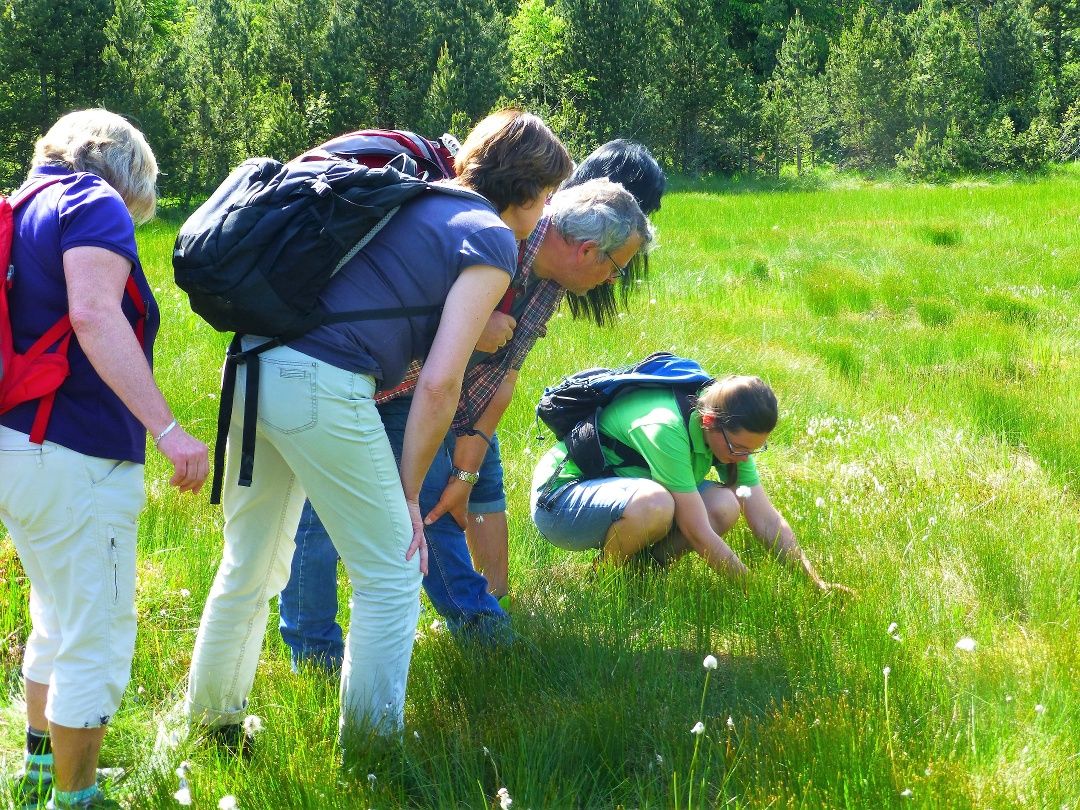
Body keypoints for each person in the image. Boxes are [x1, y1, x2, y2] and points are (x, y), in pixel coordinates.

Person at [184, 110, 571, 745]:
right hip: (321, 384)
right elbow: (443, 382)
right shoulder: (491, 237)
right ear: (526, 190)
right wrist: (410, 493)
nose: (547, 213)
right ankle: (371, 751)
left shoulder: (415, 196)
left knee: (249, 564)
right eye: (548, 196)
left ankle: (213, 724)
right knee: (393, 573)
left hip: (251, 368)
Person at [279, 152, 659, 665]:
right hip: (352, 377)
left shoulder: (548, 281)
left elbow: (504, 374)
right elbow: (420, 324)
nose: (613, 282)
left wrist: (466, 465)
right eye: (616, 268)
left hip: (417, 393)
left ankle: (482, 629)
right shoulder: (502, 237)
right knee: (322, 517)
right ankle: (315, 654)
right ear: (587, 250)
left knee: (430, 505)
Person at [0, 109, 209, 810]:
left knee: (58, 614)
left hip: (20, 446)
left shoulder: (24, 204)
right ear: (124, 170)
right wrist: (169, 430)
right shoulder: (92, 201)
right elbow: (93, 313)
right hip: (75, 450)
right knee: (97, 633)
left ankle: (39, 776)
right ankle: (75, 797)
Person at [530, 373, 853, 592]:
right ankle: (603, 579)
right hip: (561, 502)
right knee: (655, 504)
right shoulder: (666, 428)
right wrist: (755, 592)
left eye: (753, 450)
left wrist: (815, 584)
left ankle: (639, 576)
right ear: (710, 422)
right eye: (739, 448)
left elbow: (766, 518)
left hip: (617, 493)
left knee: (725, 505)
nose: (744, 458)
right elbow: (698, 533)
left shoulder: (729, 431)